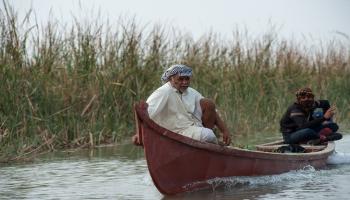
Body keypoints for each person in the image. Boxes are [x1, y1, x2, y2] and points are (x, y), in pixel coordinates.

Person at [133, 64, 231, 145]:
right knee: (208, 135)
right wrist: (139, 135)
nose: (185, 82)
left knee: (209, 104)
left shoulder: (191, 92)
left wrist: (225, 131)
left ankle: (207, 145)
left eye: (187, 79)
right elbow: (144, 112)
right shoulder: (164, 92)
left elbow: (212, 110)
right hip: (171, 133)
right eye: (181, 79)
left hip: (189, 129)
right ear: (171, 79)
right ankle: (212, 143)